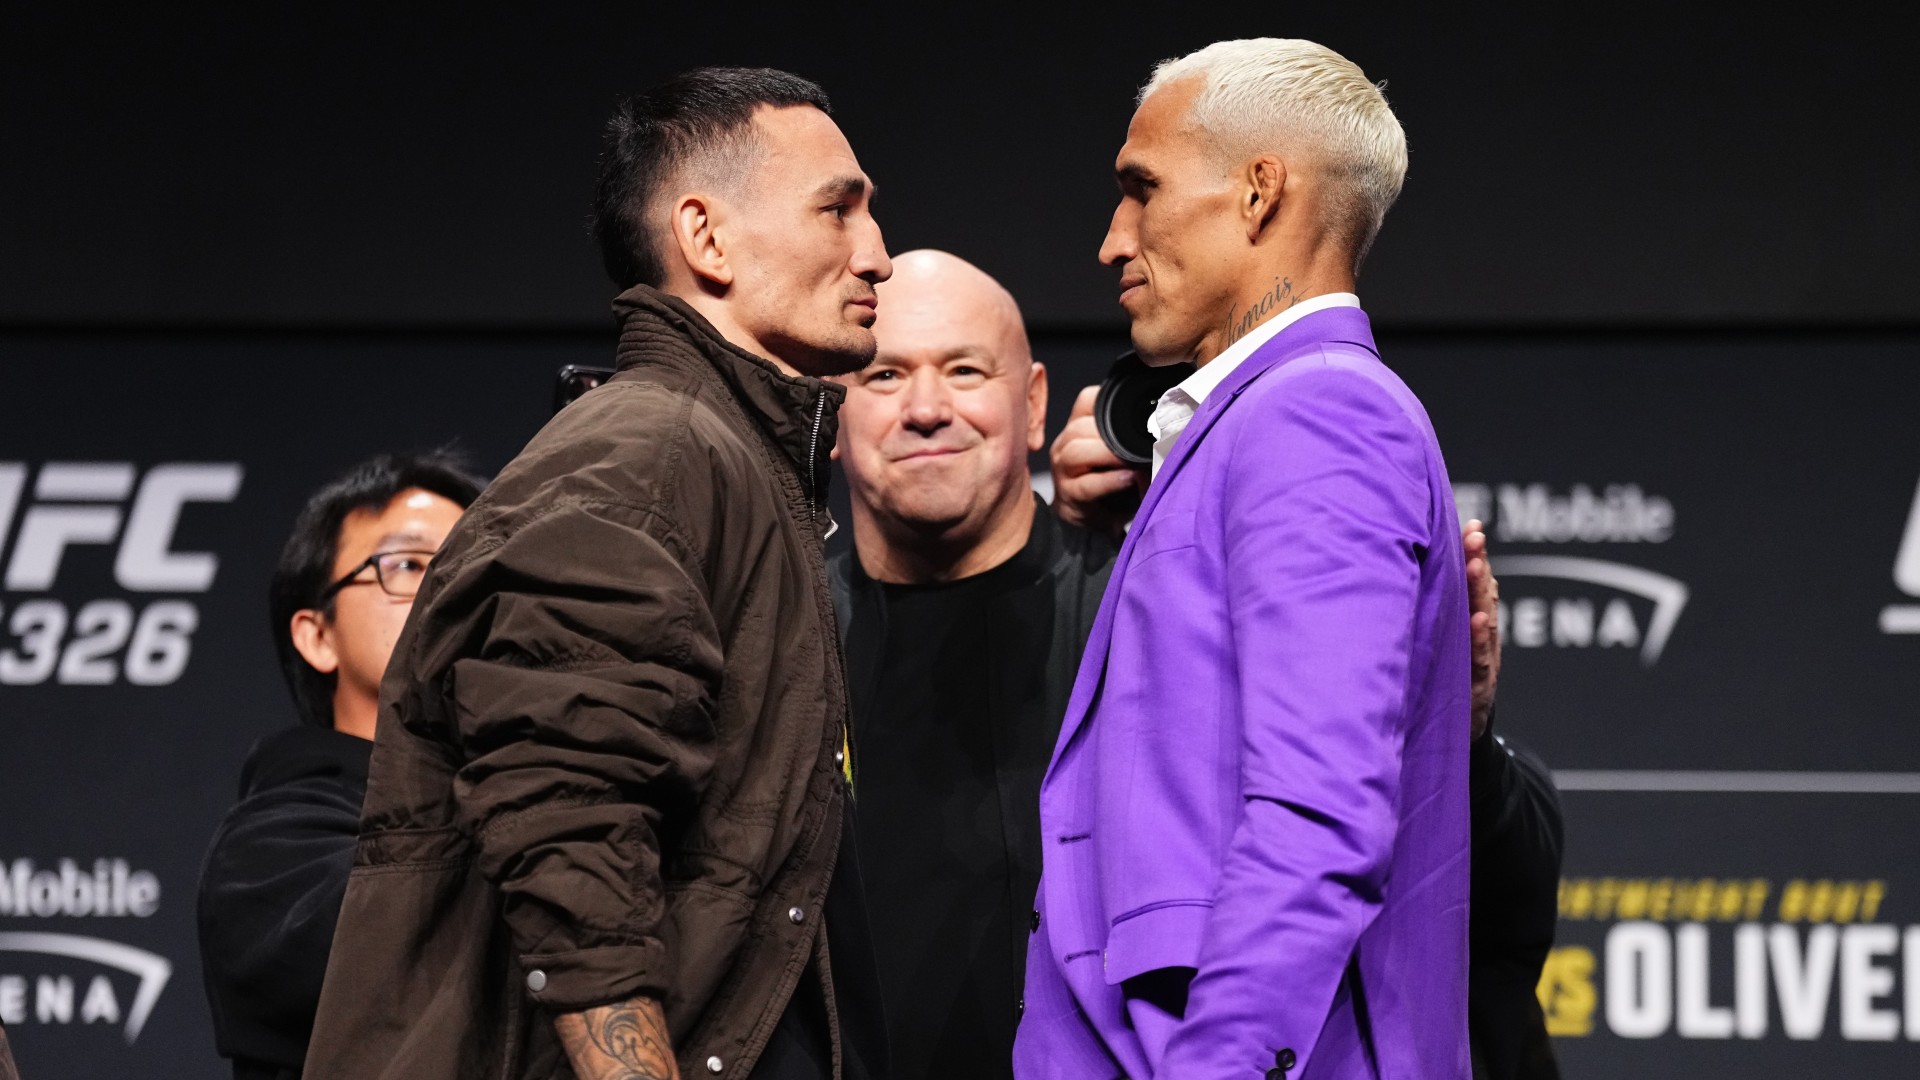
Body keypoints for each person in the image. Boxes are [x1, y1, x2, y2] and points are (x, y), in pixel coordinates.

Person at [303, 67, 891, 1080]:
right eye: (839, 211)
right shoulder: (649, 452)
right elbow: (566, 816)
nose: (877, 253)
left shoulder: (733, 464)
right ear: (706, 239)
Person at [1017, 38, 1471, 1079]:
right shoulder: (1254, 427)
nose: (1110, 242)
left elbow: (1319, 819)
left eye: (1142, 190)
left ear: (1260, 193)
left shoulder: (1320, 416)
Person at [1056, 395, 1564, 1080]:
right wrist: (1098, 561)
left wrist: (1460, 735)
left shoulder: (1331, 423)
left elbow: (1506, 903)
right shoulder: (1111, 634)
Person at [826, 249, 1119, 1080]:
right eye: (883, 377)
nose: (926, 409)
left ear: (1031, 406)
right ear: (833, 415)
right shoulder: (781, 636)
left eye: (963, 369)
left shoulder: (1133, 614)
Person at [197, 451, 481, 1080]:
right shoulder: (268, 849)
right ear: (316, 636)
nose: (448, 589)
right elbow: (384, 955)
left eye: (473, 567)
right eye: (407, 565)